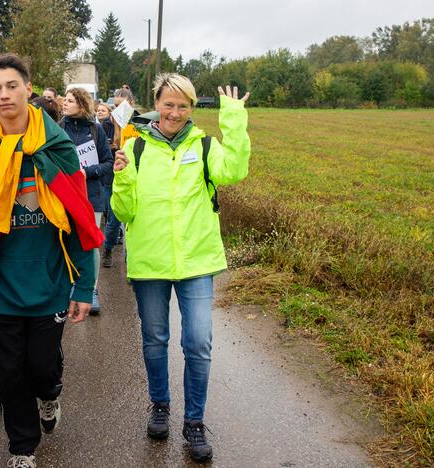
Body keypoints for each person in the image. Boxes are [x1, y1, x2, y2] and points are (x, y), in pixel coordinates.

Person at [0, 53, 103, 468]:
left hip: (50, 284)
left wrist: (83, 286)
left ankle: (51, 394)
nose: (3, 95)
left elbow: (78, 221)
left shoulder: (57, 146)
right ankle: (22, 449)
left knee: (41, 370)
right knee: (9, 374)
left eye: (11, 86)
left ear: (28, 89)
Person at [111, 73, 250, 463]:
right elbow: (124, 211)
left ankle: (194, 422)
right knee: (155, 339)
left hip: (196, 261)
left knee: (199, 344)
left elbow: (234, 171)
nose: (175, 112)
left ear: (191, 108)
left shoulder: (204, 146)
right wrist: (121, 177)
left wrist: (234, 118)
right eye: (168, 104)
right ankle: (160, 405)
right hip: (150, 262)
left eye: (183, 105)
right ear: (157, 104)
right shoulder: (136, 148)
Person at [59, 88, 113, 315]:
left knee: (89, 244)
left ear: (81, 105)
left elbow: (108, 163)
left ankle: (91, 289)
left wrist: (86, 172)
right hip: (63, 196)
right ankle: (68, 287)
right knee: (64, 242)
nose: (64, 103)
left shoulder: (96, 130)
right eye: (65, 99)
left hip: (91, 196)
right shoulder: (57, 129)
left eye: (70, 101)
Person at [101, 87, 139, 268]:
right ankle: (108, 250)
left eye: (121, 105)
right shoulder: (107, 124)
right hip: (113, 176)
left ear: (131, 104)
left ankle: (130, 259)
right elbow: (102, 151)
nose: (117, 109)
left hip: (135, 175)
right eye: (114, 105)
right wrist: (112, 147)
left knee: (133, 221)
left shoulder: (141, 122)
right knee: (114, 219)